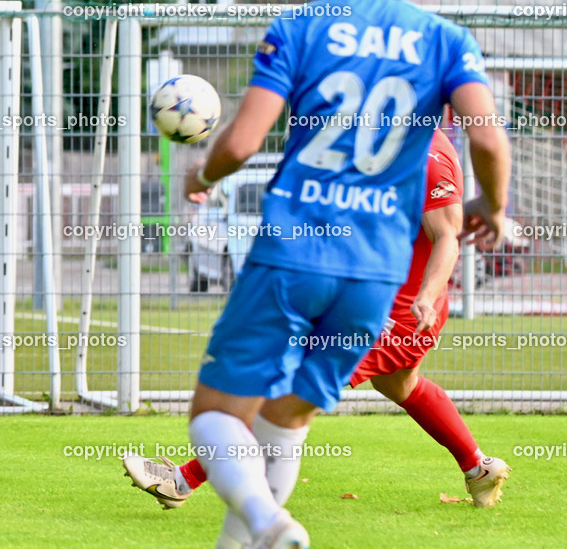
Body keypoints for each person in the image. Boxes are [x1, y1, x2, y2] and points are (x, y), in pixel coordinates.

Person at [159, 0, 512, 547]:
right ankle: (256, 534)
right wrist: (492, 207)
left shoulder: (299, 26)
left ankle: (266, 518)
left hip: (292, 254)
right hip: (373, 278)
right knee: (285, 419)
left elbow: (241, 140)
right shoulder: (446, 39)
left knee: (215, 415)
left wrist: (201, 175)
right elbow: (489, 137)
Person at [124, 129, 509, 525]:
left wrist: (426, 297)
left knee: (289, 394)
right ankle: (478, 468)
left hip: (400, 314)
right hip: (365, 298)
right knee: (399, 385)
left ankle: (182, 482)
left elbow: (447, 236)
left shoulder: (428, 156)